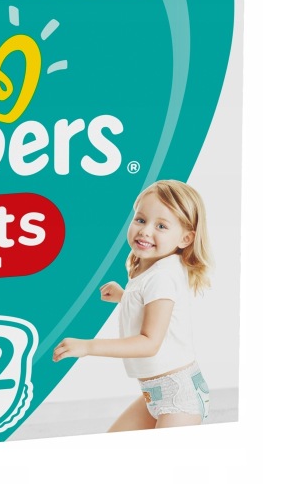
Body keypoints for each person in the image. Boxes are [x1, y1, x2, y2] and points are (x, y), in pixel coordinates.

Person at [53, 180, 212, 430]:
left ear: (185, 238)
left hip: (179, 397)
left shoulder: (162, 276)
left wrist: (88, 346)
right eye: (140, 219)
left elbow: (149, 342)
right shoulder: (153, 268)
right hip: (155, 392)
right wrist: (125, 296)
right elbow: (153, 304)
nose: (145, 231)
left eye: (161, 226)